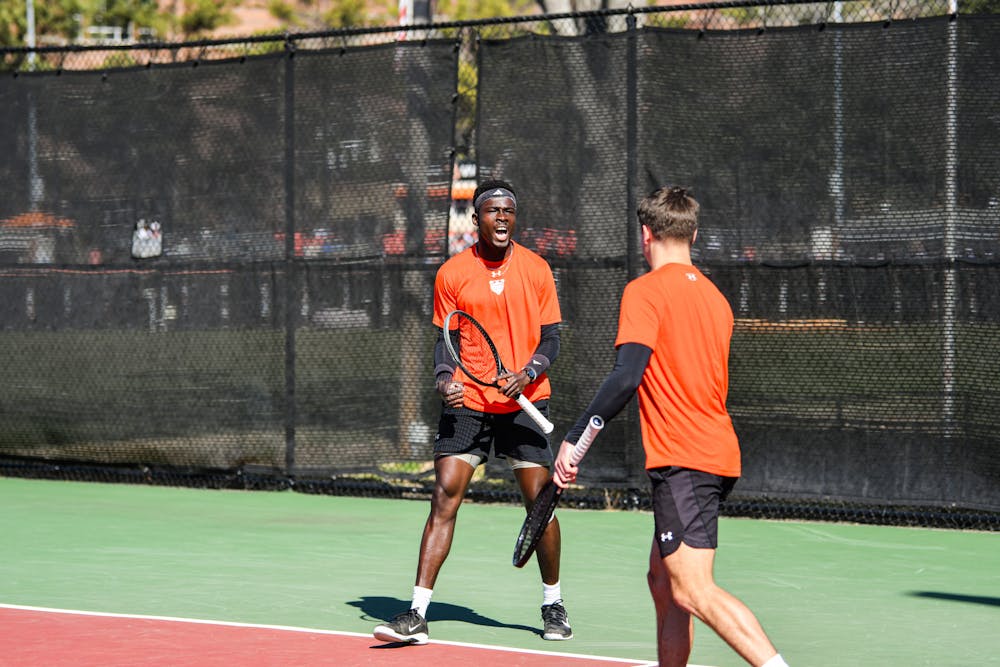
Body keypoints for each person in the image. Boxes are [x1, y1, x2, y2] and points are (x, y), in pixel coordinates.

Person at [553, 186, 789, 667]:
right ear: (693, 234)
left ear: (646, 234)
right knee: (664, 583)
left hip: (685, 460)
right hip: (711, 454)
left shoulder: (645, 291)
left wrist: (576, 440)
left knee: (694, 590)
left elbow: (626, 377)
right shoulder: (716, 300)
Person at [373, 179, 572, 645]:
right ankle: (417, 614)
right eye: (492, 211)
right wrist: (445, 379)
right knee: (444, 493)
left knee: (538, 506)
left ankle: (553, 602)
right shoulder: (452, 273)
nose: (502, 218)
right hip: (470, 402)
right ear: (476, 219)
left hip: (526, 400)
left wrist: (528, 372)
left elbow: (552, 338)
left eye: (508, 211)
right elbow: (447, 342)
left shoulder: (538, 269)